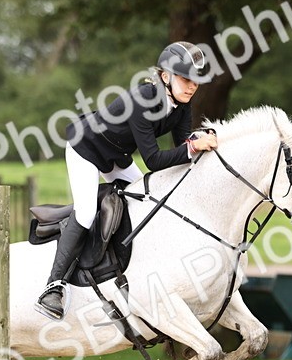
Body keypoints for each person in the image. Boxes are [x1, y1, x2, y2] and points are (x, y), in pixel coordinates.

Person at [35, 41, 221, 320]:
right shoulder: (142, 99)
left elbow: (183, 143)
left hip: (117, 156)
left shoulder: (182, 103)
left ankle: (128, 277)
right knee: (86, 212)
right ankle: (53, 287)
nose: (192, 86)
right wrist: (194, 147)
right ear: (166, 76)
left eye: (196, 81)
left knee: (151, 201)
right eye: (186, 79)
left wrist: (200, 140)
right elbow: (155, 161)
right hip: (86, 147)